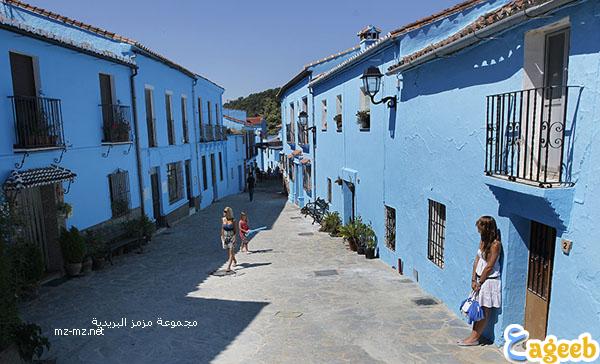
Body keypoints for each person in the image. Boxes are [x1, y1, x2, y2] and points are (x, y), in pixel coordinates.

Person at [459, 216, 502, 346]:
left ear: (487, 228)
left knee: (483, 311)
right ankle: (472, 336)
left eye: (480, 228)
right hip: (479, 279)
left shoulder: (495, 245)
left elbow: (489, 266)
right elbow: (477, 259)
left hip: (488, 282)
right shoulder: (483, 240)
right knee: (476, 309)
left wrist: (480, 282)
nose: (478, 231)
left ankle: (474, 338)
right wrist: (473, 278)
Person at [221, 207, 238, 272]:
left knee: (230, 252)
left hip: (231, 237)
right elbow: (222, 228)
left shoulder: (233, 220)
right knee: (229, 251)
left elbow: (235, 230)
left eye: (225, 211)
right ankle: (234, 260)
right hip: (225, 237)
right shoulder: (223, 219)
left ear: (229, 212)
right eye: (224, 211)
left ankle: (228, 267)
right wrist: (222, 236)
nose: (224, 213)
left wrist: (234, 237)